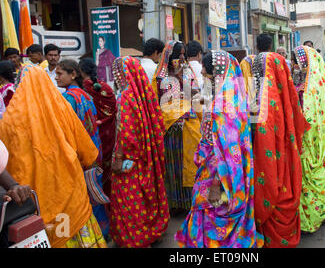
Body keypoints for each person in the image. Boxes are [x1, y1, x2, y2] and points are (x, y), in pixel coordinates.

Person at [0, 65, 106, 248]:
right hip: (71, 197)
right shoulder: (62, 108)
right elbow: (88, 153)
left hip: (33, 204)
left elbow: (4, 167)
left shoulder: (8, 121)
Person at [176, 50, 263, 248]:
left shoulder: (223, 106)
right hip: (220, 171)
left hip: (217, 175)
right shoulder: (229, 97)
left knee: (210, 210)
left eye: (205, 71)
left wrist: (215, 184)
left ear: (216, 73)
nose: (202, 73)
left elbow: (222, 151)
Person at [240, 34, 310, 248]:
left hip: (265, 160)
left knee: (270, 175)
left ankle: (265, 226)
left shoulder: (258, 97)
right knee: (283, 177)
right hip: (281, 154)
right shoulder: (283, 98)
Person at [109, 56, 169, 248]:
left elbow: (125, 133)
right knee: (145, 195)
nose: (116, 75)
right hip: (145, 156)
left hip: (128, 158)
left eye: (117, 71)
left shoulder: (125, 96)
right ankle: (151, 232)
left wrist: (119, 157)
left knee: (129, 198)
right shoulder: (143, 94)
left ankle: (136, 238)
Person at [56, 60, 109, 239]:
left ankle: (92, 235)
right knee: (95, 189)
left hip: (79, 153)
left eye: (59, 74)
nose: (56, 78)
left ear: (73, 75)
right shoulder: (85, 95)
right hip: (94, 149)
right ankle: (104, 231)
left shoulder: (68, 98)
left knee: (83, 195)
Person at [292, 45, 325, 233]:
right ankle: (321, 212)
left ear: (303, 62)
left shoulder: (305, 89)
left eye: (295, 61)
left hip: (308, 141)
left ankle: (309, 218)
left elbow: (304, 118)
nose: (293, 64)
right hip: (323, 140)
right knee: (321, 175)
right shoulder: (321, 83)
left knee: (307, 177)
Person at [153, 41, 201, 214]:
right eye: (178, 54)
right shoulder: (161, 77)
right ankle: (174, 204)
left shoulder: (187, 72)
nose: (181, 57)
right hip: (170, 127)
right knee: (173, 165)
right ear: (169, 56)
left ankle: (189, 202)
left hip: (188, 125)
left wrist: (182, 78)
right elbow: (158, 100)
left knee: (188, 164)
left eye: (183, 54)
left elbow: (195, 93)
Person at [79, 58, 117, 200]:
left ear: (80, 72)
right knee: (106, 167)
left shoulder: (81, 89)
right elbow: (113, 109)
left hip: (91, 134)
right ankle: (107, 197)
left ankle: (95, 196)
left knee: (92, 167)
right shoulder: (104, 87)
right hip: (107, 134)